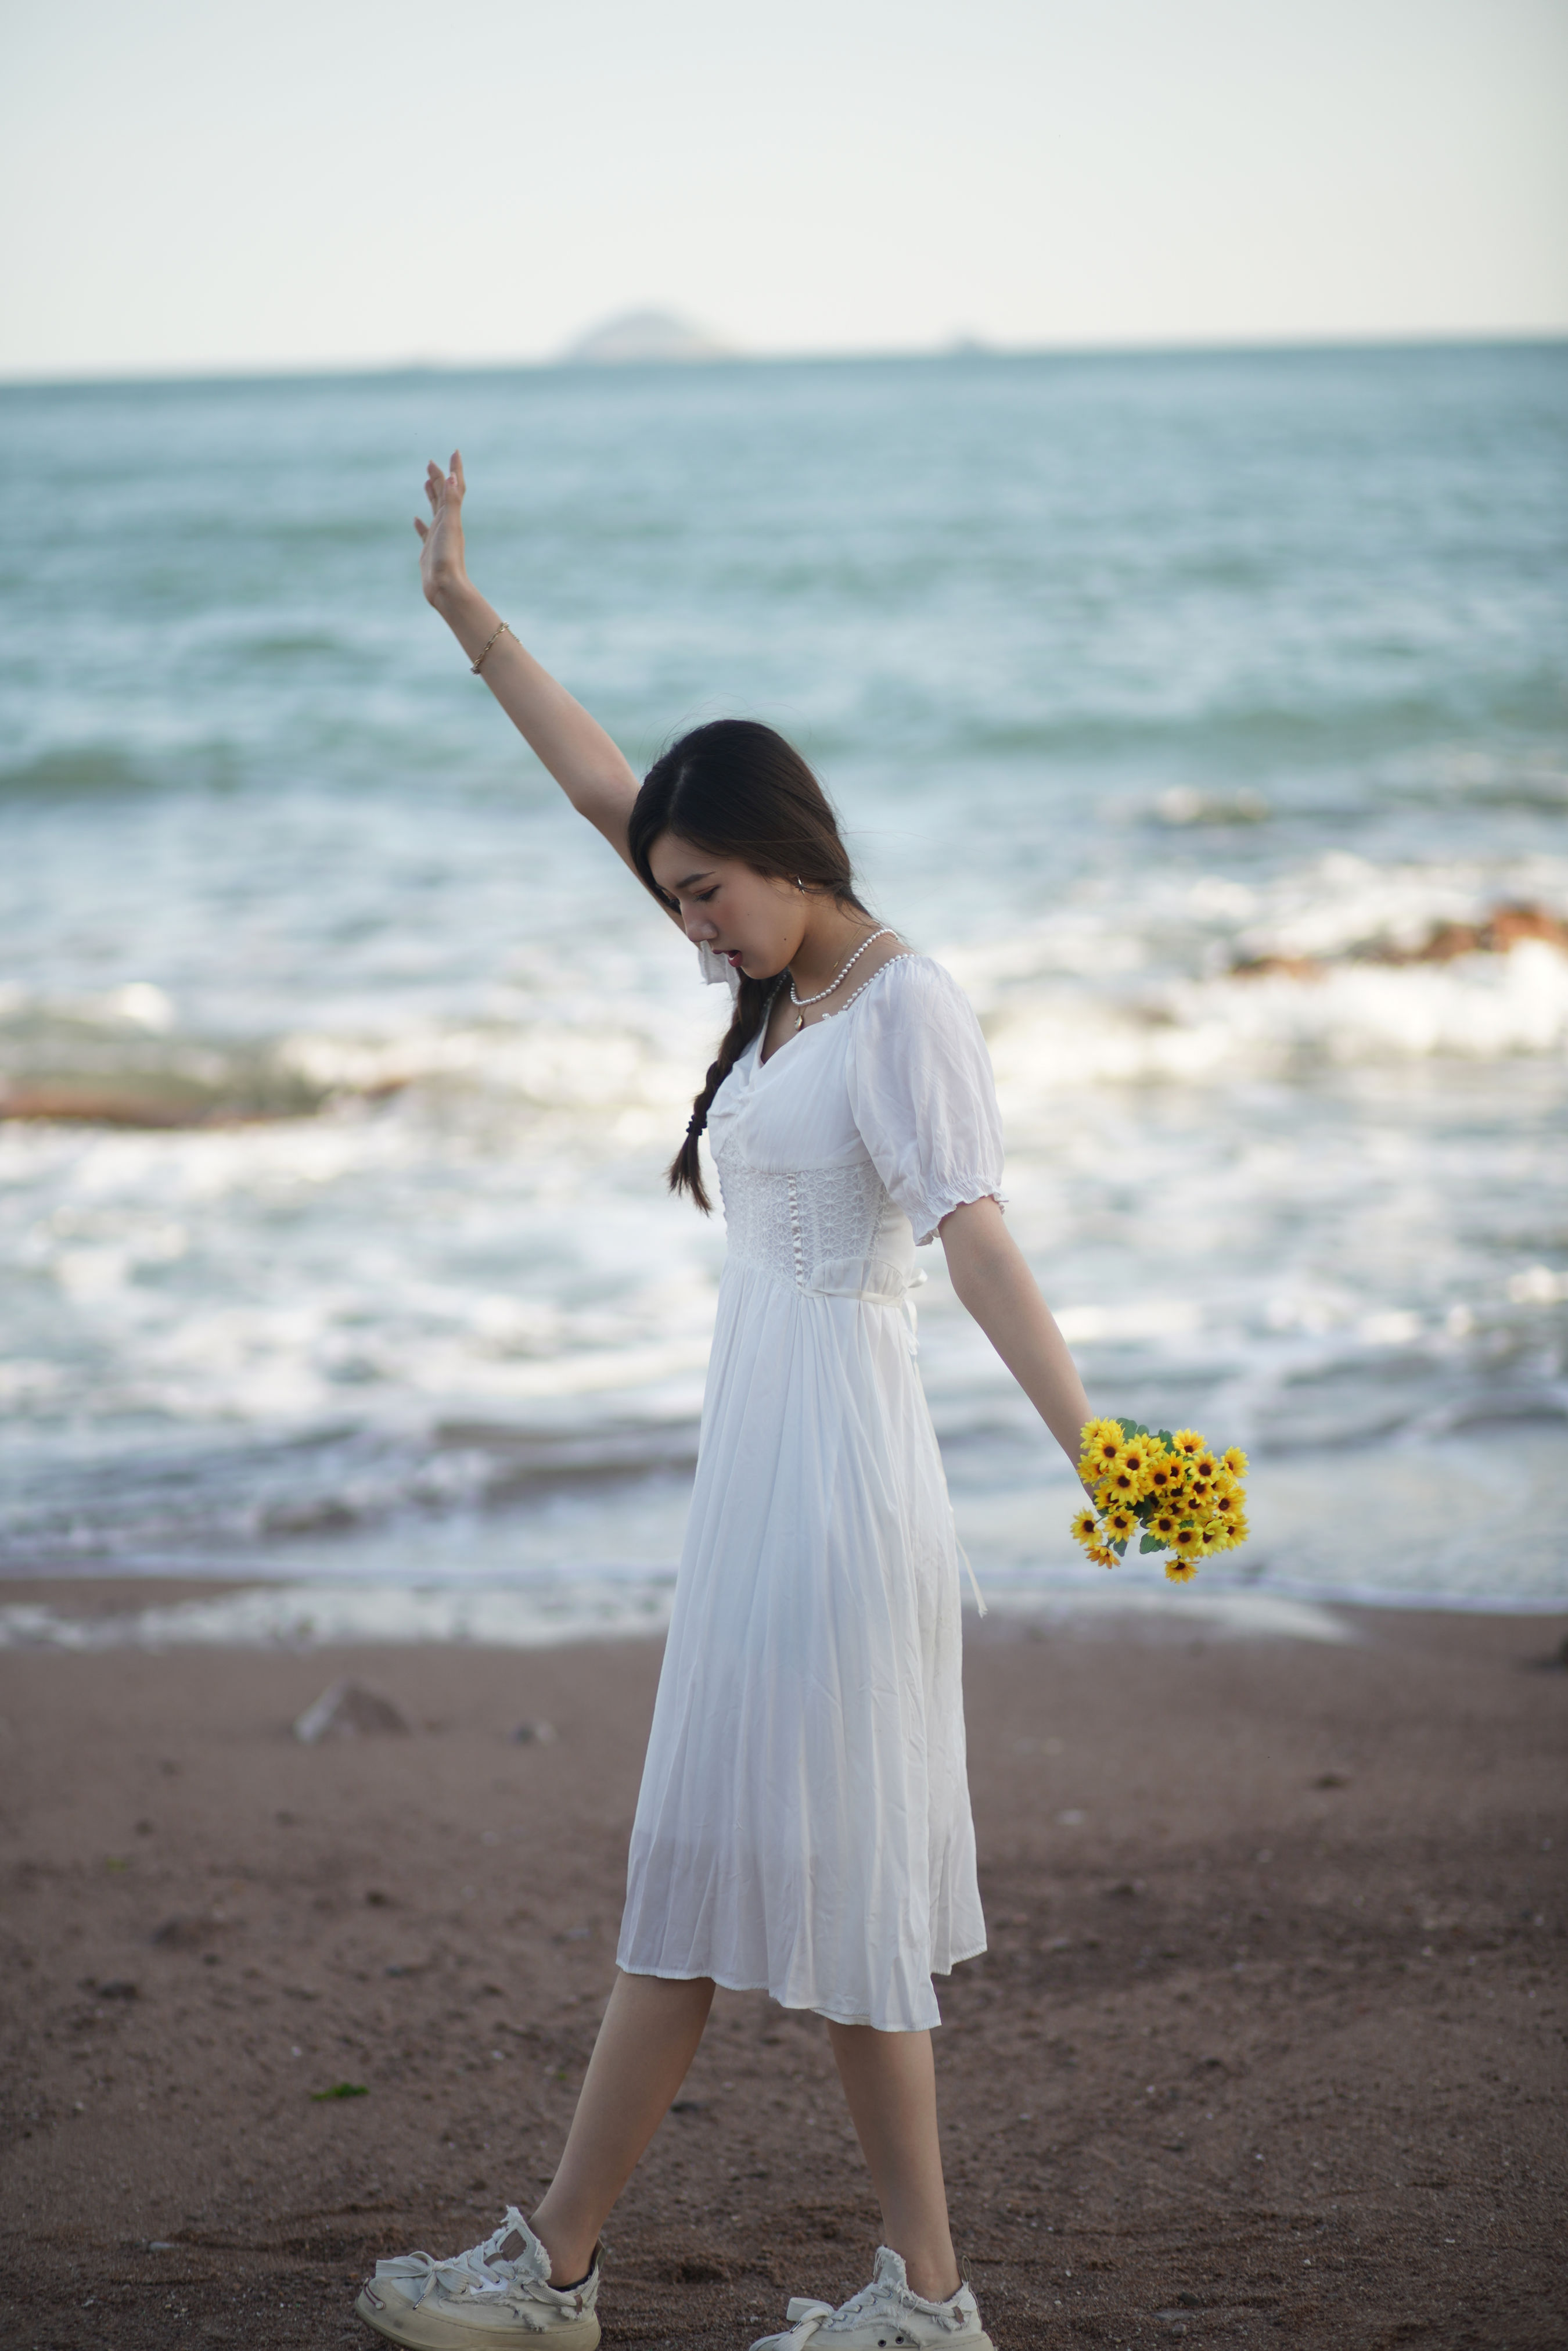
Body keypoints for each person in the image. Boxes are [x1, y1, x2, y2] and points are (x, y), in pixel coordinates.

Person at [355, 454, 1092, 2351]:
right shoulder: (772, 993)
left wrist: (1111, 1461)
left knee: (797, 1891)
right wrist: (468, 617)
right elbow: (610, 789)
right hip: (759, 1482)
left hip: (840, 1492)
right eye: (676, 902)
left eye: (709, 895)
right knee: (711, 1876)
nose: (690, 926)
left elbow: (980, 1245)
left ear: (789, 850)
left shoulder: (903, 1004)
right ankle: (650, 2276)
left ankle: (839, 2294)